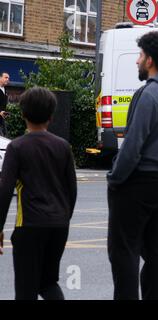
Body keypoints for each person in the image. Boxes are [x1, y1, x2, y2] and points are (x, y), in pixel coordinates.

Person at [107, 31, 158, 300]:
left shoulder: (148, 95)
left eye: (140, 55)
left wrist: (115, 177)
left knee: (124, 252)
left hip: (138, 182)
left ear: (150, 60)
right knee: (155, 250)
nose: (137, 61)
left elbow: (132, 145)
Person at [0, 87, 77, 300]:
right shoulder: (63, 147)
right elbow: (72, 189)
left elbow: (5, 190)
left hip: (30, 226)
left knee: (26, 289)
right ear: (51, 116)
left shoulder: (16, 147)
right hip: (59, 226)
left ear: (23, 113)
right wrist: (62, 218)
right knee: (48, 282)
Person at [0, 72, 10, 136]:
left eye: (8, 78)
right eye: (6, 77)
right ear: (0, 78)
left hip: (2, 119)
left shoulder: (5, 90)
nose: (7, 79)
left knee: (5, 137)